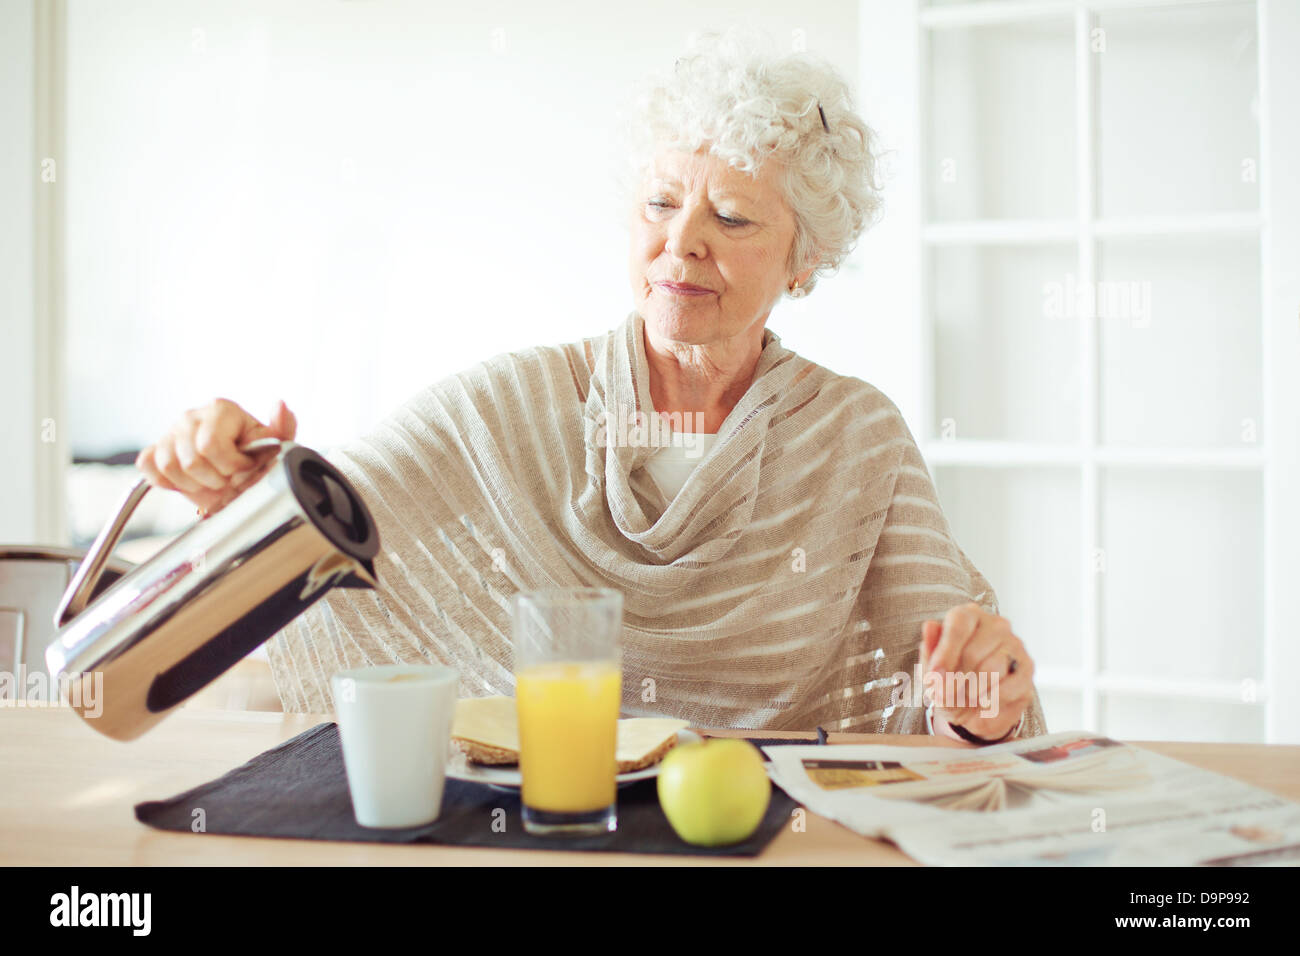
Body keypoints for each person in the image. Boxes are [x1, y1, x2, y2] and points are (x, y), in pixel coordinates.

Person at [136, 28, 1045, 743]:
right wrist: (234, 473)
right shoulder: (512, 407)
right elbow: (317, 525)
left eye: (730, 215)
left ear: (806, 260)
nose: (681, 242)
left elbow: (956, 704)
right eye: (660, 204)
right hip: (532, 827)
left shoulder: (857, 439)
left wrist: (981, 698)